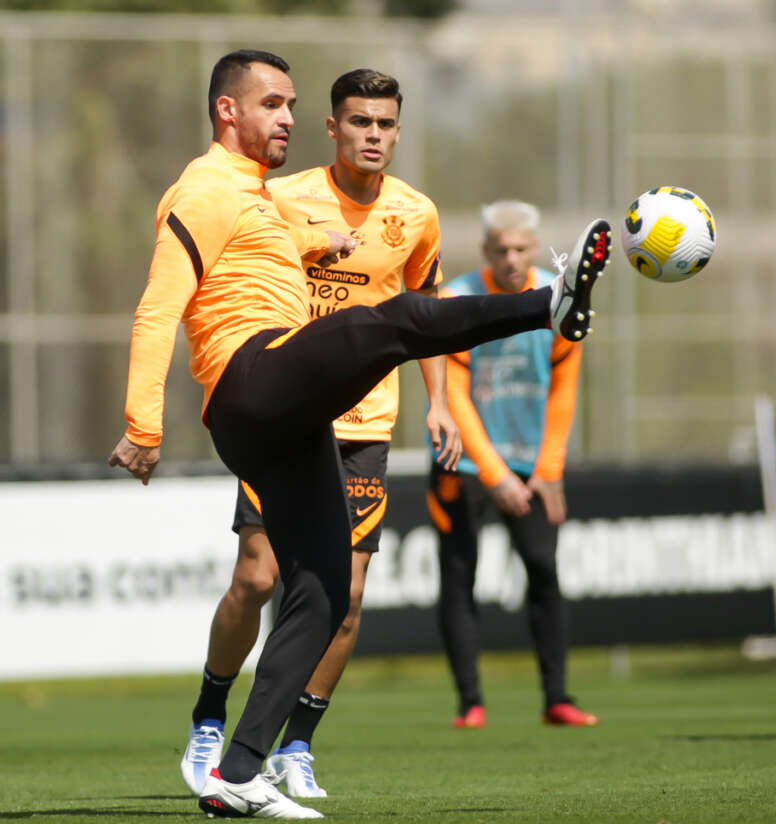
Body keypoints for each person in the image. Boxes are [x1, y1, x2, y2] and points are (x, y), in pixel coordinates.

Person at [107, 49, 611, 820]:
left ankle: (240, 771)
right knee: (395, 321)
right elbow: (158, 305)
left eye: (291, 104)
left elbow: (256, 257)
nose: (287, 117)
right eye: (272, 104)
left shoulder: (256, 196)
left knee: (324, 590)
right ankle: (551, 303)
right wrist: (143, 424)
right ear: (227, 111)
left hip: (285, 419)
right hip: (252, 378)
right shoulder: (204, 186)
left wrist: (318, 248)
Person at [178, 68, 462, 801]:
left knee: (349, 595)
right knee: (257, 577)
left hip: (366, 425)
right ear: (333, 128)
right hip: (292, 413)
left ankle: (295, 743)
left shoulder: (417, 214)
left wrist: (440, 403)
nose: (374, 135)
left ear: (398, 131)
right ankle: (209, 715)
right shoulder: (281, 198)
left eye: (386, 124)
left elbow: (426, 310)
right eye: (360, 122)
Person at [426, 200, 600, 730]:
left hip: (532, 464)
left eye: (521, 248)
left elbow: (565, 387)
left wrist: (549, 469)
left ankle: (557, 698)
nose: (511, 258)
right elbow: (454, 395)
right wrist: (494, 474)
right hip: (462, 463)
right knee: (459, 577)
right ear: (485, 250)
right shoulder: (457, 299)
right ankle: (470, 703)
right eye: (501, 250)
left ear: (535, 246)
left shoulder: (558, 294)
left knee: (544, 570)